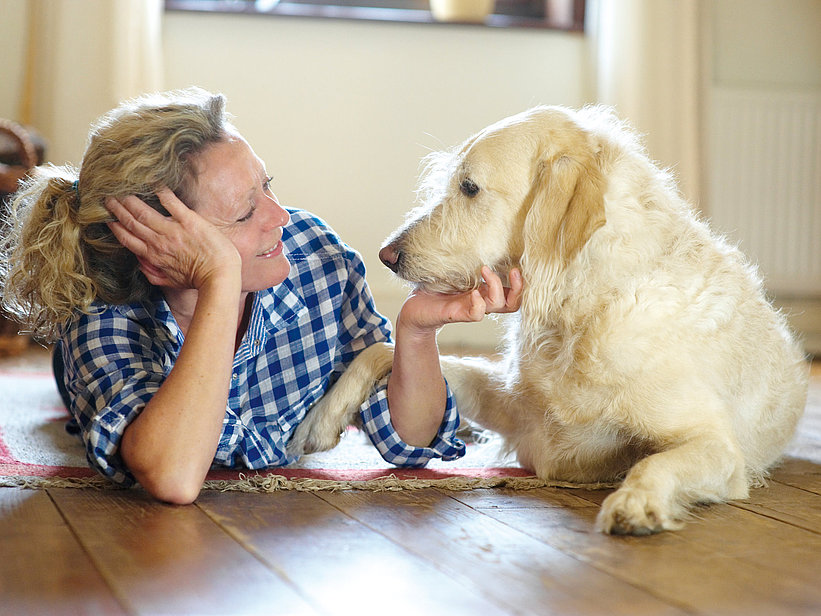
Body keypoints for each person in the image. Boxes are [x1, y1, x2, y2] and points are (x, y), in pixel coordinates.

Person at [0, 87, 522, 504]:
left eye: (268, 186)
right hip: (99, 377)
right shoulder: (101, 314)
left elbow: (410, 440)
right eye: (245, 212)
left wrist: (417, 330)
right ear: (159, 247)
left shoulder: (315, 257)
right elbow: (174, 477)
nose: (281, 217)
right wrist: (219, 283)